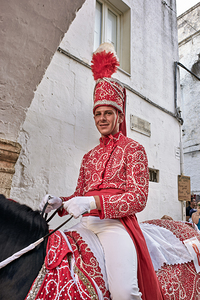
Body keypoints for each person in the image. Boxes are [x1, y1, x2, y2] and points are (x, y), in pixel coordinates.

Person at [40, 43, 164, 300]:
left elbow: (137, 199)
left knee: (125, 291)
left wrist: (93, 201)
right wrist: (61, 202)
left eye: (108, 113)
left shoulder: (134, 149)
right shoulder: (89, 157)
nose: (102, 119)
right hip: (84, 224)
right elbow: (79, 194)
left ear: (119, 116)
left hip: (114, 226)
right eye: (98, 114)